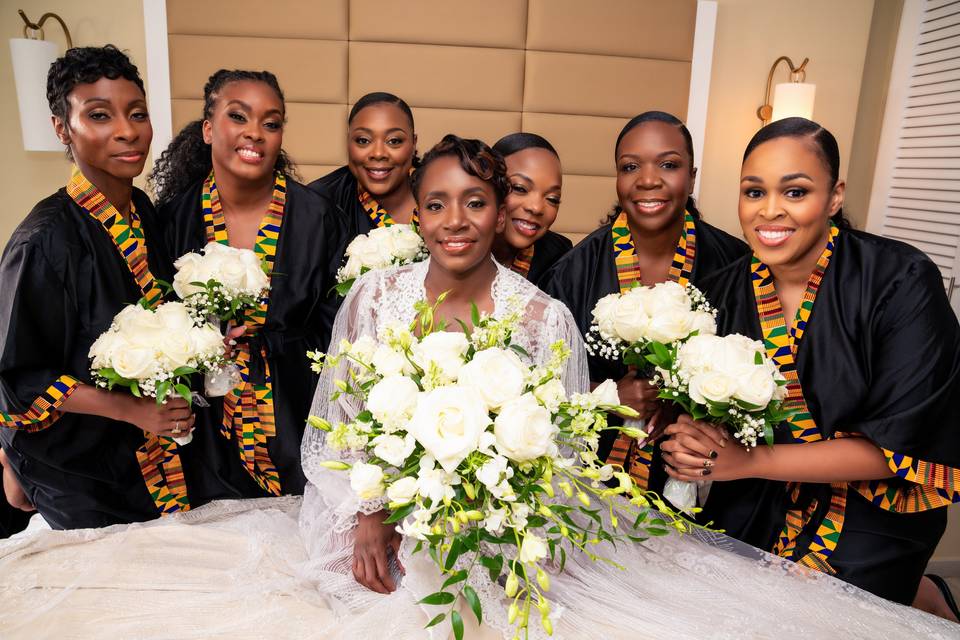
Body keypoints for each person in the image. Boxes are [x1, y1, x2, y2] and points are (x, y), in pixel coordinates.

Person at [659, 117, 960, 620]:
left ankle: (921, 592)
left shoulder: (902, 281)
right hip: (756, 497)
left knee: (819, 618)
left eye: (795, 191)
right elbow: (705, 412)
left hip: (872, 509)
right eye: (754, 192)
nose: (770, 210)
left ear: (835, 195)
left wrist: (749, 461)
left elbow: (898, 448)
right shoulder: (719, 292)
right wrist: (693, 438)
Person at [0, 45, 199, 529]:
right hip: (70, 456)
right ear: (61, 128)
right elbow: (18, 379)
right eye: (99, 115)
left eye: (137, 114)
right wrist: (134, 411)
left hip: (137, 447)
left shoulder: (144, 212)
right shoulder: (43, 241)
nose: (127, 131)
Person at [152, 70, 344, 498]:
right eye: (238, 117)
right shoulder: (171, 220)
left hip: (296, 409)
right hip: (201, 423)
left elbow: (337, 326)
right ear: (208, 128)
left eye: (271, 123)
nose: (255, 133)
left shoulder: (319, 217)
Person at [540, 111, 748, 496]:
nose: (648, 180)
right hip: (593, 474)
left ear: (692, 176)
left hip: (706, 473)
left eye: (668, 165)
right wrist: (608, 394)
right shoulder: (571, 272)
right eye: (630, 166)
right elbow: (539, 384)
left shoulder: (735, 262)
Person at [309, 92, 419, 244]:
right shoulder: (318, 203)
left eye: (394, 141)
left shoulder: (441, 192)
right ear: (348, 142)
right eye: (363, 140)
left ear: (413, 144)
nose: (378, 153)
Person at [490, 133, 571, 285]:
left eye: (552, 199)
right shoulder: (451, 243)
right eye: (520, 188)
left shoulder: (561, 258)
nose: (536, 208)